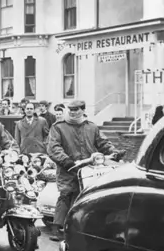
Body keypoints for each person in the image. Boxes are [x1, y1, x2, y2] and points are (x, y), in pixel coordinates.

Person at [47, 99, 123, 242]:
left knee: (90, 195)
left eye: (76, 110)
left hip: (89, 168)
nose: (72, 112)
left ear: (83, 110)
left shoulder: (91, 127)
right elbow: (54, 147)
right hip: (68, 168)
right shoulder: (59, 127)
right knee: (66, 194)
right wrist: (66, 161)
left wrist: (115, 152)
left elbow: (103, 143)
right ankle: (56, 228)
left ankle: (85, 226)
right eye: (70, 109)